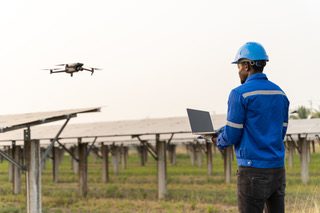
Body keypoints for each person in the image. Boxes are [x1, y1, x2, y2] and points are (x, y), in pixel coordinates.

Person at [214, 42, 290, 213]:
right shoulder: (280, 94)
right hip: (277, 170)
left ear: (247, 66)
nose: (238, 71)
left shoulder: (239, 93)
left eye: (239, 66)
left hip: (252, 171)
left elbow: (233, 134)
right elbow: (281, 132)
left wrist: (218, 139)